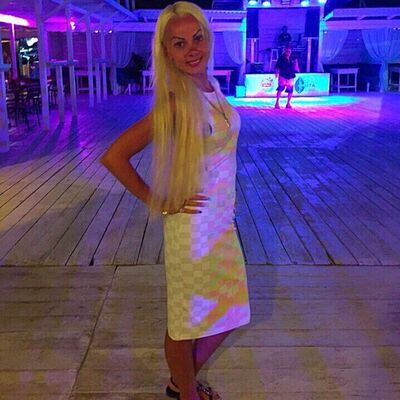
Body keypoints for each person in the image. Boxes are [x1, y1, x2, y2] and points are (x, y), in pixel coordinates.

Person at [100, 2, 251, 400]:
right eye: (179, 43)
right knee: (185, 321)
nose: (191, 49)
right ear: (166, 51)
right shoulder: (175, 102)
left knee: (230, 309)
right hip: (193, 229)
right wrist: (158, 200)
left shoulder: (210, 87)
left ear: (208, 38)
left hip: (221, 222)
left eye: (197, 38)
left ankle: (180, 382)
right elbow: (114, 156)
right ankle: (186, 393)